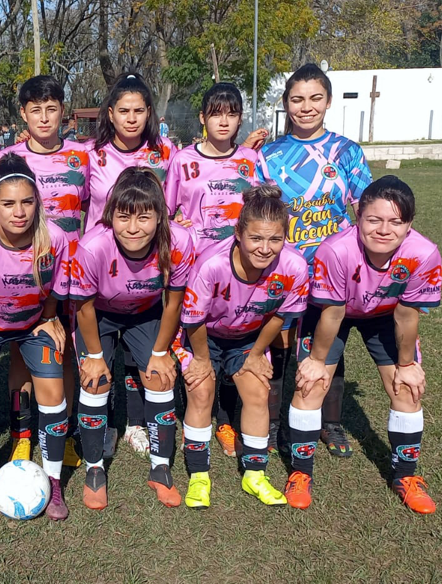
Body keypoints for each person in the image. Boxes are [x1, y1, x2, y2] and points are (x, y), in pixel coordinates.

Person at [291, 176, 441, 514]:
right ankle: (301, 474)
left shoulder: (424, 253)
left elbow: (406, 314)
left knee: (407, 389)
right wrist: (316, 360)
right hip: (331, 310)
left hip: (386, 314)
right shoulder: (335, 249)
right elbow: (333, 312)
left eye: (395, 222)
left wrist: (406, 366)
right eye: (374, 219)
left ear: (409, 224)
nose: (384, 230)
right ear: (358, 216)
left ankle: (405, 476)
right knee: (311, 383)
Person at [257, 63, 372, 457]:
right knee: (275, 346)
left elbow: (367, 209)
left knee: (329, 347)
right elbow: (259, 214)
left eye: (315, 98)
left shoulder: (346, 152)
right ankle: (270, 423)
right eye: (297, 99)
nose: (306, 107)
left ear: (327, 101)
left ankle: (330, 423)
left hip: (334, 273)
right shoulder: (269, 155)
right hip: (282, 269)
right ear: (286, 104)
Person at [0, 153, 72, 520]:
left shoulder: (55, 237)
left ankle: (53, 483)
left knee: (53, 395)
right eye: (8, 203)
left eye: (27, 201)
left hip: (34, 324)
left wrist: (49, 318)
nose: (18, 212)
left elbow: (56, 286)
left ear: (38, 201)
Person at [71, 168, 194, 509]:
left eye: (144, 217)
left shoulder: (179, 242)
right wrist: (94, 356)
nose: (134, 227)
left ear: (160, 217)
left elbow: (173, 302)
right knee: (94, 381)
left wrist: (160, 352)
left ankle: (161, 468)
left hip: (148, 312)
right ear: (111, 215)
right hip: (101, 314)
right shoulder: (93, 246)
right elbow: (83, 306)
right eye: (124, 217)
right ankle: (95, 470)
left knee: (160, 377)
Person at [178, 185, 308, 509]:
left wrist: (253, 355)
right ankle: (198, 477)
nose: (265, 249)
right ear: (238, 233)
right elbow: (192, 320)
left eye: (275, 240)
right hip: (202, 337)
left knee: (257, 393)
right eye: (256, 238)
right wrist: (203, 360)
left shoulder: (294, 266)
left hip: (248, 338)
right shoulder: (211, 265)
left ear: (285, 237)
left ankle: (255, 475)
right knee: (201, 392)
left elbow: (281, 315)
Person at [165, 82, 263, 458]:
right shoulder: (182, 161)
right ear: (203, 118)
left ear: (240, 119)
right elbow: (165, 213)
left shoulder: (252, 161)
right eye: (216, 113)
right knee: (197, 342)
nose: (224, 121)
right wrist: (178, 227)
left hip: (241, 273)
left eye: (232, 113)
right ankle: (194, 410)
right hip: (194, 272)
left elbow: (264, 214)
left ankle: (224, 419)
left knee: (233, 338)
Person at [0, 75, 88, 465]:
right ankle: (21, 433)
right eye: (36, 110)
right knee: (20, 353)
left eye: (52, 109)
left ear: (63, 112)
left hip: (68, 273)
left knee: (63, 353)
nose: (45, 117)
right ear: (23, 113)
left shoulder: (82, 156)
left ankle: (63, 431)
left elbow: (95, 207)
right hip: (23, 273)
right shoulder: (10, 159)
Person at [87, 72, 178, 452]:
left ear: (149, 113)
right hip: (103, 266)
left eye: (138, 110)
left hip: (148, 265)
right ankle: (103, 424)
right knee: (97, 351)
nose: (130, 118)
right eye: (123, 110)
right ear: (110, 113)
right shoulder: (90, 153)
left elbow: (173, 204)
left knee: (141, 344)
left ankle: (137, 422)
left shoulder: (166, 152)